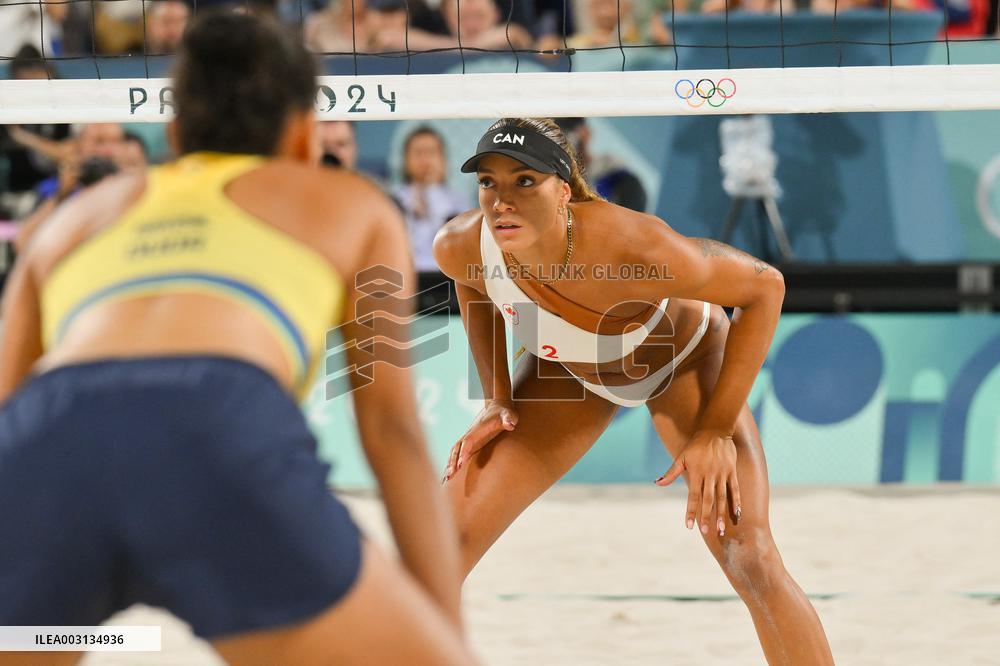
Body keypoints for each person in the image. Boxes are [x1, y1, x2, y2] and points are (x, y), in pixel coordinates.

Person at [0, 12, 476, 666]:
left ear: (172, 132)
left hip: (44, 442)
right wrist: (444, 636)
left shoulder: (69, 224)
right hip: (214, 427)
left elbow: (7, 404)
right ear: (307, 133)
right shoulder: (355, 205)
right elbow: (393, 431)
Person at [433, 117, 834, 665]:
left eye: (524, 181)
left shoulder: (634, 246)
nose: (502, 200)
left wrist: (715, 430)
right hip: (568, 371)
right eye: (488, 183)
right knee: (435, 553)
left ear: (564, 190)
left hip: (680, 359)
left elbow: (765, 286)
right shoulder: (461, 244)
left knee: (751, 557)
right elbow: (472, 283)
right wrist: (496, 394)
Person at [392, 126, 468, 273]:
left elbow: (456, 247)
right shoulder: (394, 199)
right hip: (407, 276)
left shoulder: (459, 201)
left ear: (443, 160)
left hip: (449, 279)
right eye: (418, 153)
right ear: (406, 160)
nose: (425, 160)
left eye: (432, 152)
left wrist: (432, 193)